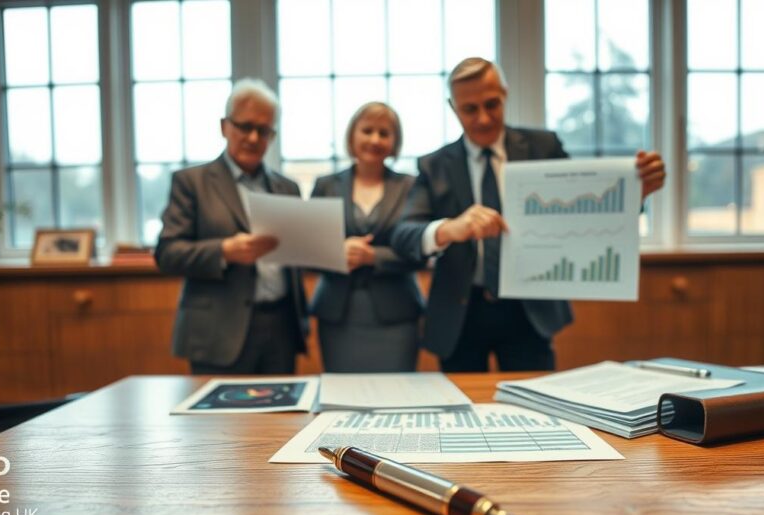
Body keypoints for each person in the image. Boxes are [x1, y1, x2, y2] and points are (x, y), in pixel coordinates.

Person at [391, 57, 666, 372]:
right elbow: (403, 235)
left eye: (491, 104)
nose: (483, 118)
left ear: (505, 94)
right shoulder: (434, 165)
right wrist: (450, 229)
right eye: (470, 109)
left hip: (529, 311)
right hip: (460, 313)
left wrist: (636, 193)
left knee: (536, 408)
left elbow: (587, 209)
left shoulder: (543, 146)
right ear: (453, 108)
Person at [154, 79, 308, 375]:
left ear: (272, 135)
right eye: (245, 126)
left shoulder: (287, 188)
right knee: (220, 421)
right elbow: (168, 253)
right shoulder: (192, 183)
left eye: (263, 131)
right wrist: (225, 251)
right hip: (218, 330)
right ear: (225, 126)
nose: (253, 138)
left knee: (283, 419)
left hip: (281, 327)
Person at [309, 102, 425, 372]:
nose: (375, 139)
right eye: (367, 130)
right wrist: (336, 253)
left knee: (397, 396)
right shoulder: (325, 185)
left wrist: (375, 257)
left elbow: (422, 250)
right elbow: (307, 251)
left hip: (397, 314)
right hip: (337, 314)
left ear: (395, 141)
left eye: (384, 133)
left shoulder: (411, 187)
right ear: (352, 136)